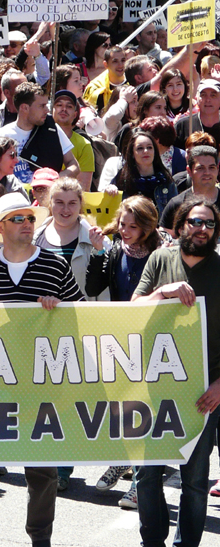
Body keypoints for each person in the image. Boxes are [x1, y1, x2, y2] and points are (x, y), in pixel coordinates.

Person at [0, 191, 84, 547]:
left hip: (40, 386)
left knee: (42, 473)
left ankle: (40, 539)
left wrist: (60, 309)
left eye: (30, 218)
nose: (27, 224)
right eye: (18, 219)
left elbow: (83, 317)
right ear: (0, 227)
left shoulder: (55, 265)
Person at [132, 195, 220, 547]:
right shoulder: (160, 259)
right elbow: (134, 309)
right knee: (146, 475)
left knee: (195, 481)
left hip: (204, 392)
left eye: (210, 223)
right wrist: (162, 292)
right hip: (154, 387)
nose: (202, 229)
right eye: (196, 221)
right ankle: (152, 541)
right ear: (181, 225)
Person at [85, 194, 164, 509]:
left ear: (147, 227)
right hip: (121, 338)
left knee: (149, 408)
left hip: (154, 338)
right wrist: (97, 252)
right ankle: (122, 458)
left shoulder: (162, 253)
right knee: (123, 406)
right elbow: (93, 288)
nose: (125, 231)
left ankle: (138, 484)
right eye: (122, 224)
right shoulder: (115, 250)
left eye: (133, 226)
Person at [0, 82, 80, 184]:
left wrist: (53, 181)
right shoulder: (1, 136)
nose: (47, 110)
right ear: (25, 108)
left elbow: (73, 165)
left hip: (46, 191)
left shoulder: (52, 129)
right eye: (42, 106)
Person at [102, 130, 177, 215]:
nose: (146, 151)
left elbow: (174, 214)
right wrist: (109, 190)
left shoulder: (165, 180)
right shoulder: (122, 179)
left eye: (149, 147)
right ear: (132, 153)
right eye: (140, 148)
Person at [159, 145, 220, 234]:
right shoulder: (177, 204)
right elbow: (164, 236)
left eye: (211, 167)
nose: (207, 172)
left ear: (217, 169)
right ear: (189, 171)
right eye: (200, 168)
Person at [51, 90, 95, 191]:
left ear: (75, 115)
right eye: (59, 105)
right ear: (51, 110)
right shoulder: (40, 136)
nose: (64, 109)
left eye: (69, 106)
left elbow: (83, 189)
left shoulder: (84, 145)